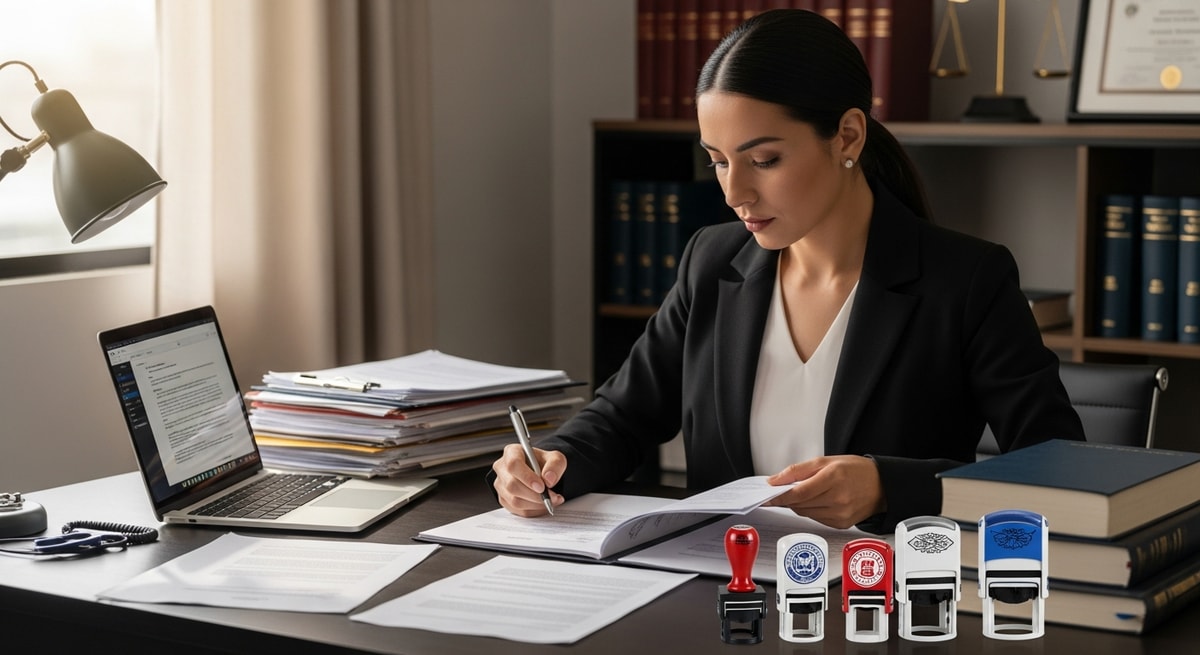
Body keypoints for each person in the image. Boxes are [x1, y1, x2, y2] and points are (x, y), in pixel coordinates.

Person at [490, 9, 1084, 533]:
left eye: (765, 159)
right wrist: (553, 460)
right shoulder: (711, 262)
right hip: (722, 587)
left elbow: (1061, 471)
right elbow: (623, 416)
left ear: (847, 136)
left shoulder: (967, 280)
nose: (735, 193)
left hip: (880, 594)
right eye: (718, 162)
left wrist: (890, 487)